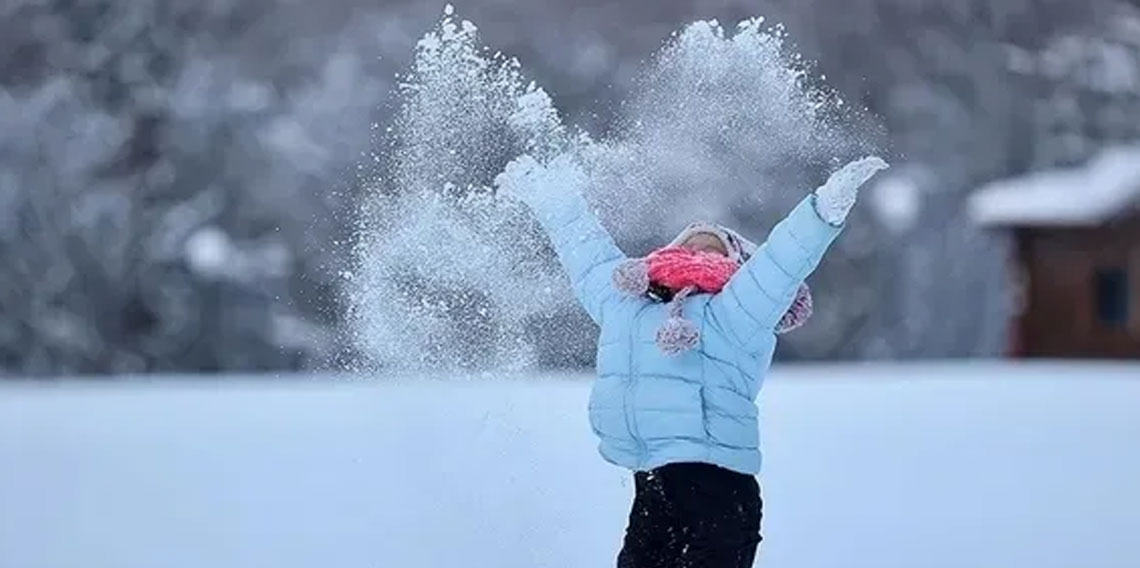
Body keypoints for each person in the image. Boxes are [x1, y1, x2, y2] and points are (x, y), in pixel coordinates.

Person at [495, 152, 888, 568]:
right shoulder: (625, 304)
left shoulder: (737, 310)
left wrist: (824, 209)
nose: (699, 249)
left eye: (715, 248)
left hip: (719, 490)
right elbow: (587, 253)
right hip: (652, 485)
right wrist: (551, 196)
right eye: (690, 243)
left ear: (737, 267)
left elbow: (781, 263)